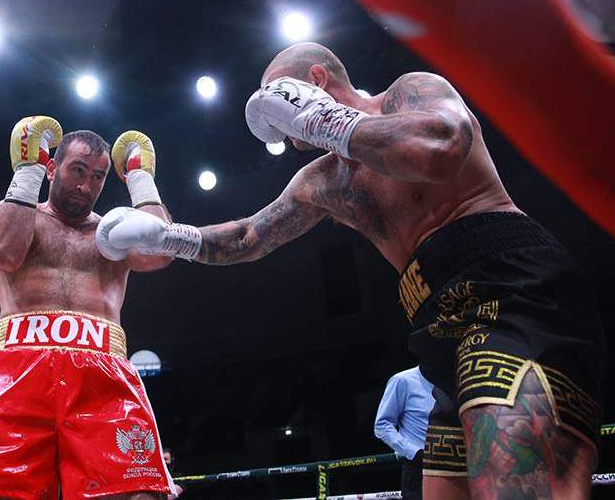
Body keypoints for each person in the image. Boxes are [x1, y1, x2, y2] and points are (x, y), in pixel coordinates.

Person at [97, 43, 606, 499]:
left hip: (512, 291)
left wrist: (324, 119)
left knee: (519, 486)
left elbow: (443, 145)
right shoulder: (325, 180)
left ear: (315, 81)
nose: (288, 133)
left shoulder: (407, 95)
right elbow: (250, 237)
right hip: (440, 328)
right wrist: (166, 237)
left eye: (280, 97)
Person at [0, 117, 179, 499]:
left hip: (101, 373)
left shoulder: (113, 231)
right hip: (16, 369)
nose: (86, 185)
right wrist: (27, 171)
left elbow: (160, 252)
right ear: (51, 168)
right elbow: (4, 254)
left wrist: (140, 177)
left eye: (97, 176)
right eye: (78, 170)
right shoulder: (17, 217)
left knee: (137, 494)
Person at [374, 367, 434, 500]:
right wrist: (413, 452)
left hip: (454, 464)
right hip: (417, 467)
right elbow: (382, 425)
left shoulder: (454, 379)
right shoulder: (403, 380)